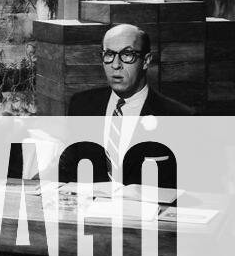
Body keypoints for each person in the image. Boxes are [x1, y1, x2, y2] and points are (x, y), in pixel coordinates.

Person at [60, 23, 192, 188]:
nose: (116, 65)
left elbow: (189, 188)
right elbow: (66, 172)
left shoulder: (178, 117)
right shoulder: (81, 106)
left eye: (127, 55)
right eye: (109, 54)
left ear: (146, 61)